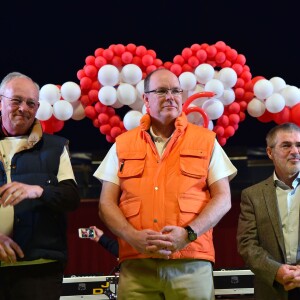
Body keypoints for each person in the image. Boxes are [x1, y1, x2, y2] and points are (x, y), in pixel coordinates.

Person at [94, 68, 237, 300]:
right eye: (161, 91)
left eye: (175, 90)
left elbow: (223, 199)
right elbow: (105, 204)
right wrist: (132, 237)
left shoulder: (206, 141)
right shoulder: (123, 144)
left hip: (191, 263)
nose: (170, 96)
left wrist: (189, 234)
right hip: (137, 267)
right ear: (145, 99)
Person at [0, 72, 81, 300]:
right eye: (16, 100)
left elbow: (71, 198)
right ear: (1, 102)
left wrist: (39, 191)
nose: (23, 108)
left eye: (31, 103)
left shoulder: (56, 147)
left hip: (39, 268)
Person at [237, 122, 300, 300]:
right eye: (286, 145)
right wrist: (276, 271)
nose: (295, 151)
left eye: (299, 145)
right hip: (271, 290)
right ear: (270, 152)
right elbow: (247, 244)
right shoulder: (252, 195)